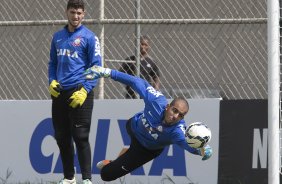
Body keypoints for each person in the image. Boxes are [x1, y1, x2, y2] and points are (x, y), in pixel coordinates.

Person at [84, 66, 212, 182]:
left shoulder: (176, 131)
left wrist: (202, 151)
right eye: (175, 110)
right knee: (130, 127)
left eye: (181, 115)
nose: (175, 116)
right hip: (133, 127)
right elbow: (136, 82)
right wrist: (106, 72)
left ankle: (115, 161)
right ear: (167, 107)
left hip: (146, 150)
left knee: (106, 175)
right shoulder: (156, 101)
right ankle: (127, 152)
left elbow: (188, 145)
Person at [48, 0, 101, 183]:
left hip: (81, 92)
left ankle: (87, 179)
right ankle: (69, 178)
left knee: (80, 136)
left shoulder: (90, 37)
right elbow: (53, 63)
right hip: (60, 93)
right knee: (62, 137)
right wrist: (52, 81)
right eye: (73, 12)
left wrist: (85, 90)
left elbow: (97, 68)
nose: (76, 16)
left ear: (84, 14)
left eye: (79, 13)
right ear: (66, 12)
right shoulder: (57, 37)